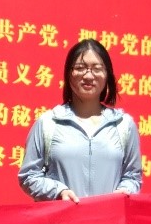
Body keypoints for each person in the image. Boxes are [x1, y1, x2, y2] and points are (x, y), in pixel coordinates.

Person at [18, 39, 142, 201]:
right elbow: (28, 175)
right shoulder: (48, 123)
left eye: (97, 68)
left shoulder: (123, 125)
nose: (88, 75)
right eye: (80, 68)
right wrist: (58, 191)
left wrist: (125, 190)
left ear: (107, 75)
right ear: (68, 74)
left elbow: (133, 176)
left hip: (108, 217)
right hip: (62, 216)